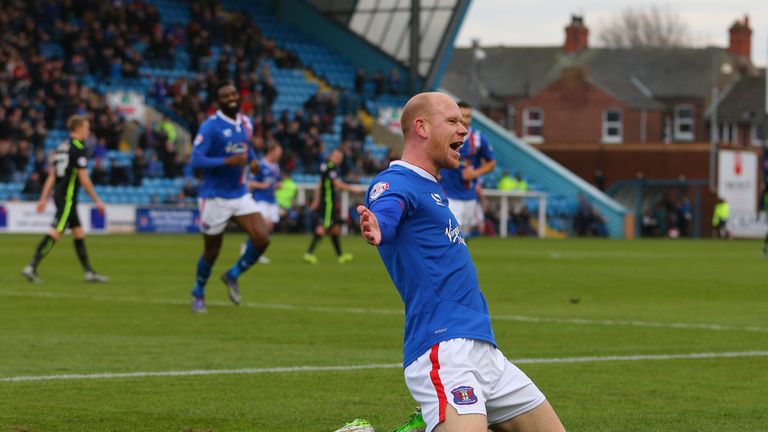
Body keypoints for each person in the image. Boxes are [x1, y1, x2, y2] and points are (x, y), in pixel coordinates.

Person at [355, 92, 564, 432]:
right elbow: (387, 209)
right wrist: (380, 225)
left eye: (463, 122)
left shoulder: (433, 188)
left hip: (483, 346)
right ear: (421, 127)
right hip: (443, 346)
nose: (463, 130)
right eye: (452, 121)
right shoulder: (395, 181)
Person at [189, 81, 271, 313]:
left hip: (239, 193)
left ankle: (232, 275)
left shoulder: (246, 122)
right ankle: (198, 292)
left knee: (262, 238)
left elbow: (247, 148)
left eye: (234, 93)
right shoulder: (210, 126)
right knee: (212, 251)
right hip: (214, 197)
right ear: (219, 101)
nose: (231, 98)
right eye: (226, 96)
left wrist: (253, 161)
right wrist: (226, 161)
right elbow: (196, 159)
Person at [22, 115, 109, 284]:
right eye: (86, 128)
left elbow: (52, 176)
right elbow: (83, 178)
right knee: (55, 232)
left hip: (62, 196)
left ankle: (89, 272)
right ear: (78, 128)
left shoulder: (62, 146)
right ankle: (31, 266)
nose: (88, 131)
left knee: (78, 233)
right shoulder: (78, 147)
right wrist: (97, 201)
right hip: (67, 198)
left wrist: (43, 198)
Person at [438, 100, 496, 237]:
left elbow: (491, 163)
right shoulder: (443, 135)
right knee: (451, 235)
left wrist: (475, 173)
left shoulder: (478, 138)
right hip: (448, 194)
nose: (465, 120)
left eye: (468, 116)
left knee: (462, 238)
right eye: (462, 116)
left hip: (469, 196)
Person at [302, 148, 361, 264]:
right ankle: (308, 253)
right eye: (337, 157)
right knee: (324, 227)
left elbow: (320, 184)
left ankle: (340, 256)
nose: (339, 159)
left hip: (329, 201)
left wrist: (316, 200)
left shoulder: (327, 167)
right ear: (332, 156)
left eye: (341, 157)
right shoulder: (330, 167)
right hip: (328, 202)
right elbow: (337, 184)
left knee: (335, 229)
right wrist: (352, 189)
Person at [246, 141, 283, 264]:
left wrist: (277, 185)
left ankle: (250, 248)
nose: (279, 155)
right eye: (278, 152)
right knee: (264, 225)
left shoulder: (276, 167)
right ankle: (254, 252)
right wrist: (262, 185)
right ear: (271, 151)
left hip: (271, 200)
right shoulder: (260, 165)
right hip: (260, 199)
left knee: (270, 227)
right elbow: (250, 182)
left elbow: (276, 181)